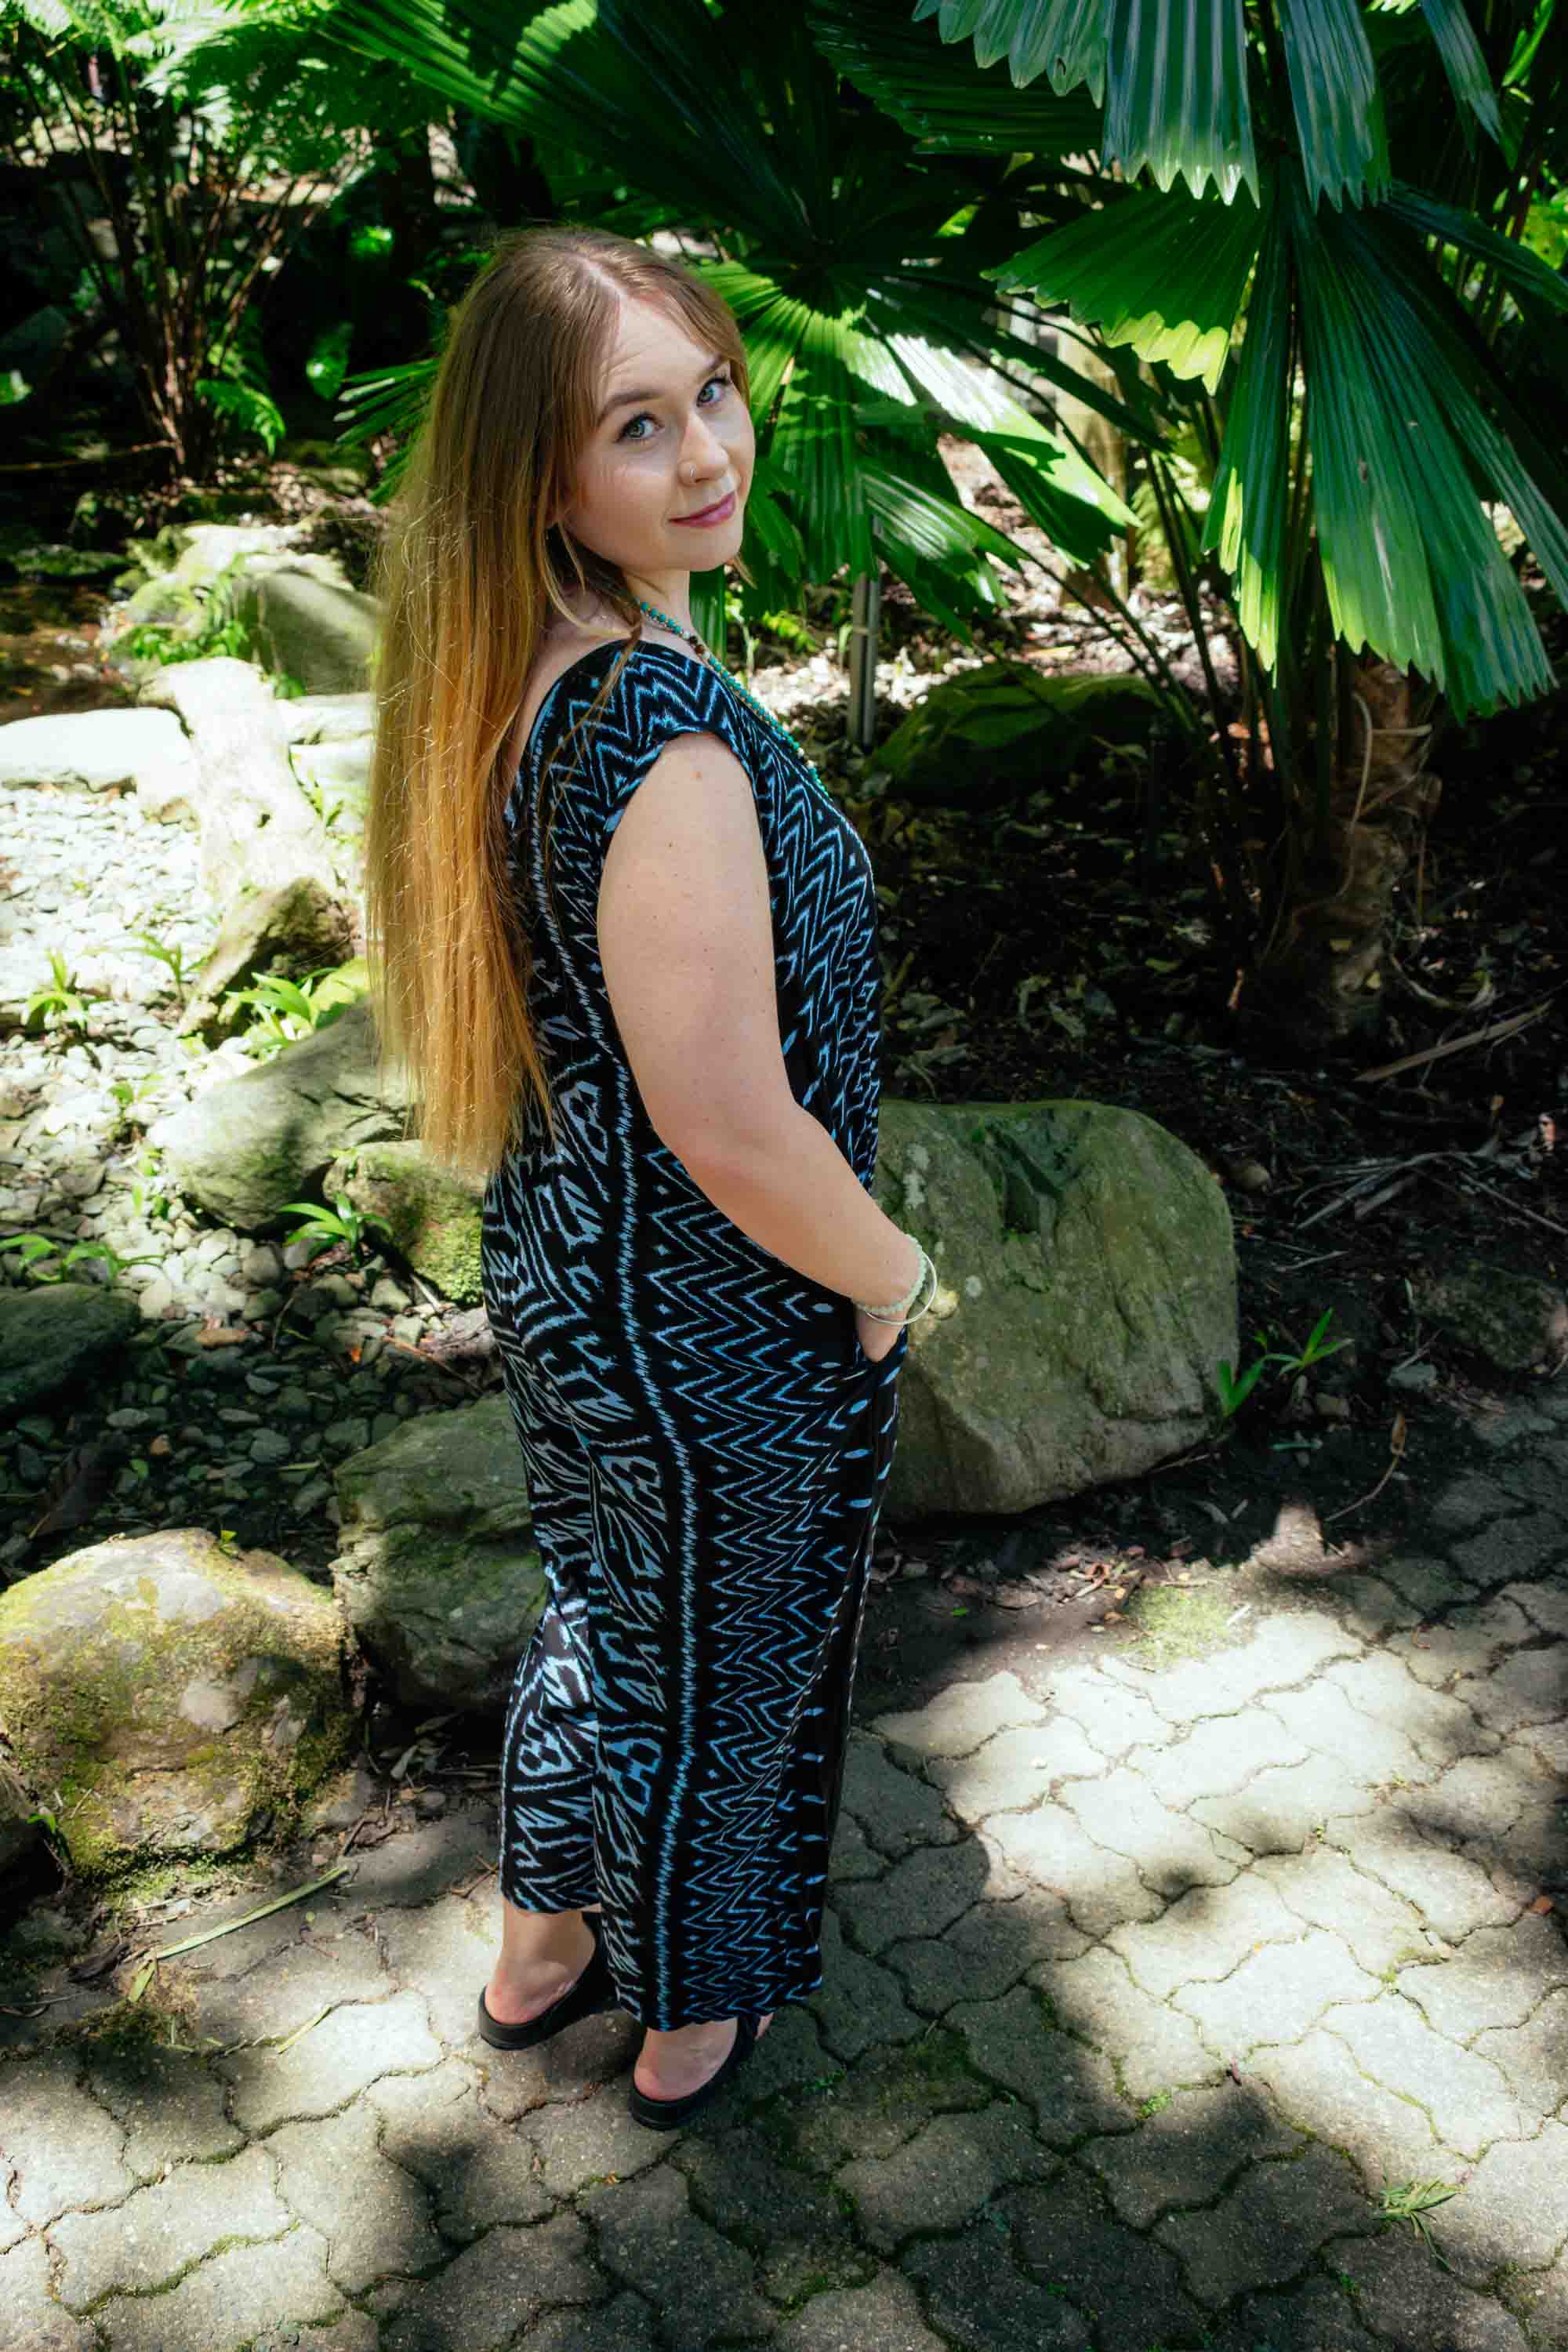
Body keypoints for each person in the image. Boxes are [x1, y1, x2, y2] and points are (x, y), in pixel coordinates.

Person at [364, 223, 936, 2131]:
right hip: (716, 1314)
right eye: (636, 424)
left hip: (575, 1265)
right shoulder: (658, 736)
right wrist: (886, 1274)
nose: (706, 452)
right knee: (730, 1675)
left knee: (610, 1619)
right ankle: (690, 2023)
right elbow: (731, 1121)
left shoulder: (522, 670)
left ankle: (541, 1950)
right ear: (542, 475)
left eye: (712, 392)